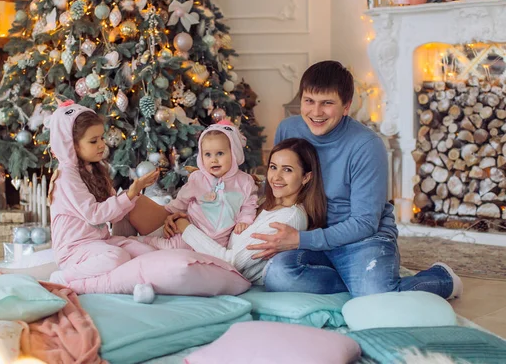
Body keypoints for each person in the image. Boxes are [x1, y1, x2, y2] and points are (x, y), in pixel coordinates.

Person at [252, 60, 463, 299]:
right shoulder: (288, 129)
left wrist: (300, 239)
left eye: (327, 103)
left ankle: (441, 278)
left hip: (361, 238)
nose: (316, 112)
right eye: (309, 101)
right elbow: (278, 185)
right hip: (309, 232)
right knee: (278, 275)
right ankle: (357, 282)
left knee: (376, 295)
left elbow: (365, 223)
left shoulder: (367, 145)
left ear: (346, 106)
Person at [166, 138, 325, 284]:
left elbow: (232, 261)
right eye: (273, 167)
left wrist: (186, 228)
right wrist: (184, 218)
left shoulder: (287, 219)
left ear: (306, 177)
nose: (276, 177)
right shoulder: (263, 202)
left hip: (226, 276)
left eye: (287, 170)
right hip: (206, 259)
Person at [48, 101, 160, 284]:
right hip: (74, 250)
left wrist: (136, 191)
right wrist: (129, 195)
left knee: (147, 253)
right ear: (71, 145)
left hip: (99, 242)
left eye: (101, 138)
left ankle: (134, 279)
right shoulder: (67, 177)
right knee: (117, 257)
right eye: (93, 141)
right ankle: (62, 278)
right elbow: (94, 215)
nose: (101, 145)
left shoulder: (96, 169)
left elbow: (114, 216)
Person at [136, 121, 258, 250]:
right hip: (192, 230)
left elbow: (249, 205)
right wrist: (170, 216)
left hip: (220, 239)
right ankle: (141, 242)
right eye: (208, 154)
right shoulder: (198, 179)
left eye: (220, 153)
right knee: (173, 246)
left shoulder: (245, 181)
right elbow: (181, 201)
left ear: (234, 153)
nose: (214, 160)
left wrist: (244, 221)